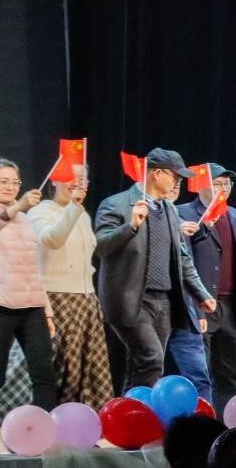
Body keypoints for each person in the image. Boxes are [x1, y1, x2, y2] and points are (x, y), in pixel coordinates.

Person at [94, 147, 215, 390]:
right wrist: (131, 226)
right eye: (175, 177)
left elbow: (182, 257)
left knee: (143, 363)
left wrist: (201, 293)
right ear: (157, 173)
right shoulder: (116, 204)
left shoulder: (169, 209)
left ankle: (131, 409)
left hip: (164, 301)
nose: (177, 184)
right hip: (131, 299)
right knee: (151, 358)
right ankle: (144, 410)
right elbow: (101, 246)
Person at [28, 163, 114, 409]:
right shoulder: (41, 211)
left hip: (86, 300)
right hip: (56, 299)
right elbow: (51, 239)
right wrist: (74, 207)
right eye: (70, 177)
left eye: (82, 178)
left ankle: (80, 421)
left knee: (88, 373)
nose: (77, 183)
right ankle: (47, 419)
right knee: (61, 370)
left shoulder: (83, 215)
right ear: (54, 180)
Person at [0, 158, 57, 411]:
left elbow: (34, 267)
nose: (10, 187)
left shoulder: (24, 218)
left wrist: (47, 311)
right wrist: (18, 206)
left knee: (44, 373)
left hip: (32, 305)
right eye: (4, 181)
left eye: (15, 182)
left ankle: (46, 427)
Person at [176, 164, 236, 413]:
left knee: (231, 372)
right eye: (217, 184)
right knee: (200, 373)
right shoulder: (182, 214)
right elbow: (181, 262)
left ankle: (227, 421)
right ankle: (202, 421)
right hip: (200, 305)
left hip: (231, 307)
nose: (223, 189)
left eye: (227, 184)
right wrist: (195, 304)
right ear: (201, 185)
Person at [162, 176, 213, 404]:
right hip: (153, 306)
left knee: (198, 374)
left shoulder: (180, 216)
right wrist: (175, 229)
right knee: (147, 370)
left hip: (184, 306)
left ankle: (205, 418)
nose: (174, 188)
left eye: (178, 184)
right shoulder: (141, 213)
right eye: (170, 181)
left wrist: (200, 299)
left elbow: (188, 264)